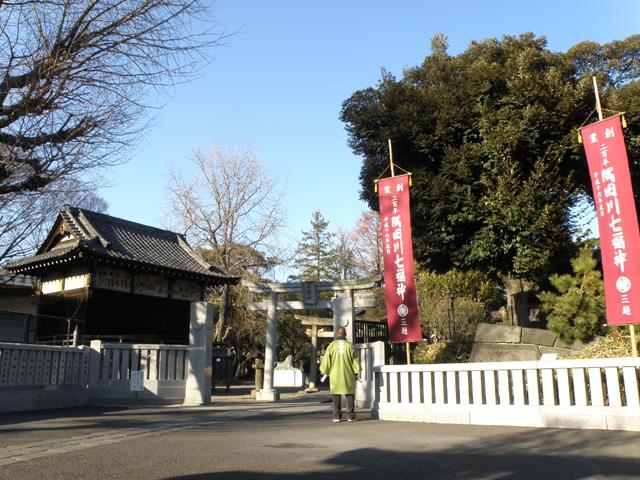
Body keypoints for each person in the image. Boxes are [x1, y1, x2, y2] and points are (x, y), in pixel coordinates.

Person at [319, 326, 361, 422]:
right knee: (349, 394)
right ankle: (350, 416)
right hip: (348, 374)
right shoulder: (350, 346)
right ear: (345, 334)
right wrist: (356, 372)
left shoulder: (331, 346)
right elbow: (355, 361)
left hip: (335, 374)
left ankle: (336, 416)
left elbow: (326, 361)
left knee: (336, 394)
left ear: (337, 334)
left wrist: (324, 372)